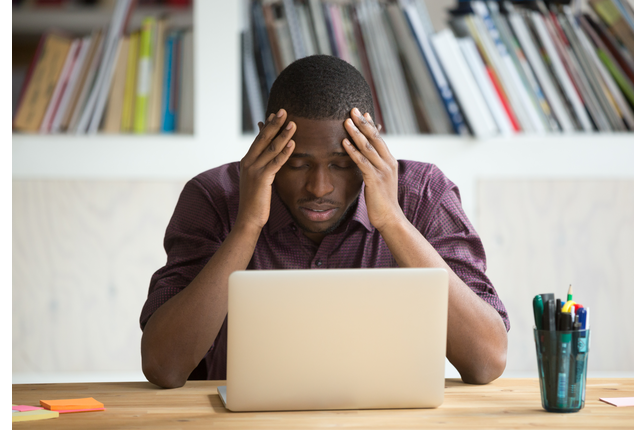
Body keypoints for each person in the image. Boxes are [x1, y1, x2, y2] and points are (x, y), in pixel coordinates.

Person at [140, 55, 509, 389]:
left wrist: (393, 221)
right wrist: (248, 224)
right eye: (297, 164)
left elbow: (487, 361)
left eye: (342, 164)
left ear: (372, 141)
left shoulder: (423, 194)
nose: (319, 188)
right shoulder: (213, 197)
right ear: (265, 140)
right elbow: (164, 366)